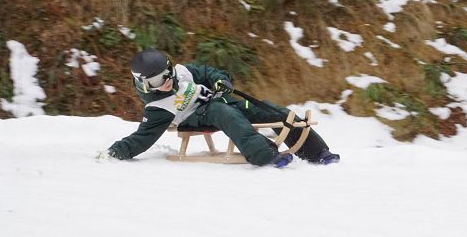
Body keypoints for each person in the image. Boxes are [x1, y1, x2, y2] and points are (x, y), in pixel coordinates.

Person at [97, 48, 340, 168]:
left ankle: (317, 151)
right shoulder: (158, 107)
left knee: (268, 109)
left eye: (166, 73)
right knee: (223, 113)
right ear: (143, 83)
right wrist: (116, 151)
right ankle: (264, 154)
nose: (166, 81)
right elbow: (143, 137)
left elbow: (207, 72)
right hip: (197, 117)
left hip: (221, 100)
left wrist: (220, 81)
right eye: (156, 81)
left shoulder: (182, 72)